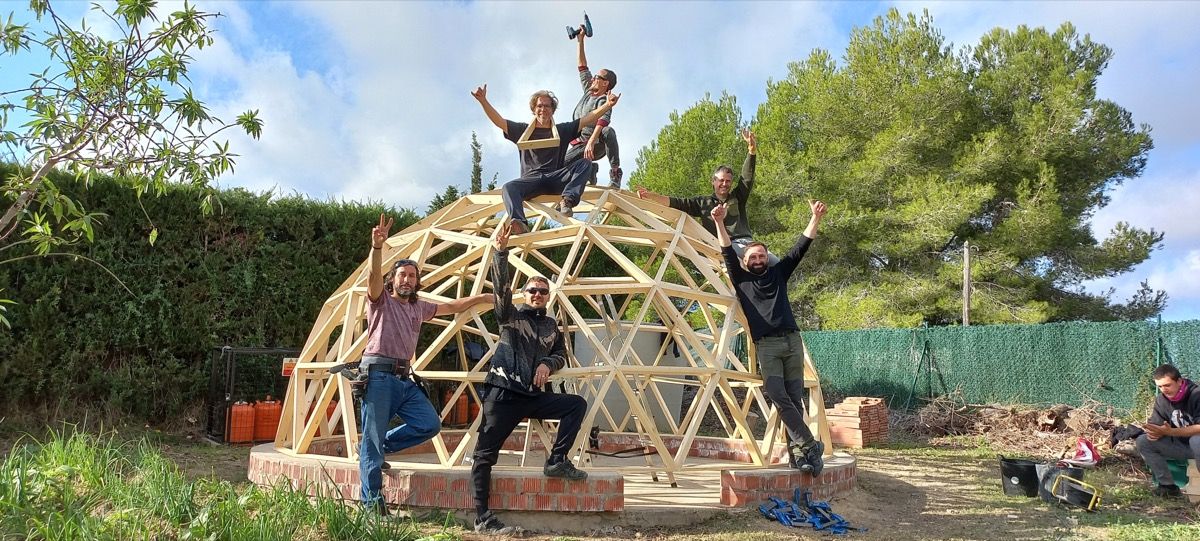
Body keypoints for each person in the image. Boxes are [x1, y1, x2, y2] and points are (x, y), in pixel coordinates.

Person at [359, 213, 492, 514]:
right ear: (392, 280)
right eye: (401, 275)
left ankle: (376, 448)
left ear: (417, 281)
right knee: (371, 441)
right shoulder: (381, 301)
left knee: (429, 424)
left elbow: (451, 306)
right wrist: (377, 248)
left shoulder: (419, 307)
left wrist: (482, 297)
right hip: (378, 376)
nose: (407, 280)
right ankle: (372, 507)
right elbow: (372, 278)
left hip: (403, 379)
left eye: (412, 276)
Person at [472, 220, 590, 534]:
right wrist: (501, 254)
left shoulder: (551, 326)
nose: (537, 294)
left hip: (533, 397)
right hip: (503, 393)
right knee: (485, 455)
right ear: (524, 294)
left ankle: (557, 460)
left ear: (548, 297)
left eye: (542, 291)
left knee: (576, 404)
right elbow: (501, 292)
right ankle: (482, 517)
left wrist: (548, 364)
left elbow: (561, 353)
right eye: (533, 290)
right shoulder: (510, 316)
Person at [712, 199, 827, 474]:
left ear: (767, 257)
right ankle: (810, 444)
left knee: (794, 399)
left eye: (761, 256)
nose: (758, 260)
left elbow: (801, 247)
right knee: (778, 396)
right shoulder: (741, 280)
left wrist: (815, 218)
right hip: (768, 346)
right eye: (752, 257)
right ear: (745, 261)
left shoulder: (778, 273)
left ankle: (800, 457)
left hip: (792, 342)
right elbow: (726, 249)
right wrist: (718, 221)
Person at [472, 84, 621, 234]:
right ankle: (519, 223)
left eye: (547, 106)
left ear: (553, 110)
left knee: (585, 163)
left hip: (555, 179)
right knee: (509, 187)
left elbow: (587, 119)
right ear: (534, 109)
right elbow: (499, 121)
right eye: (539, 106)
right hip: (531, 181)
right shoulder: (523, 130)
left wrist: (607, 105)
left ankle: (567, 200)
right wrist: (483, 101)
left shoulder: (562, 130)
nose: (543, 109)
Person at [637, 129, 776, 264]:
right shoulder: (702, 203)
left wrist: (752, 151)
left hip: (749, 243)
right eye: (721, 180)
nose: (724, 184)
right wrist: (651, 196)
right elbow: (676, 202)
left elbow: (747, 178)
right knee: (743, 263)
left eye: (728, 181)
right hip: (728, 245)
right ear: (713, 181)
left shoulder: (738, 196)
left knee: (777, 264)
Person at [563, 20, 622, 189]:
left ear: (605, 83)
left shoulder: (604, 100)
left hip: (596, 145)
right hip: (580, 144)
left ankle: (615, 172)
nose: (594, 78)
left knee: (608, 131)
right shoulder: (589, 90)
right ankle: (590, 170)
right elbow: (582, 66)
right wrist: (580, 40)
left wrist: (591, 141)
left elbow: (602, 121)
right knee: (560, 166)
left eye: (598, 77)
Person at [1135, 364, 1200, 498]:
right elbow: (1156, 425)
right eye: (1160, 386)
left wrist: (1170, 432)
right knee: (1143, 441)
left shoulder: (1196, 394)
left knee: (1196, 440)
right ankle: (1168, 487)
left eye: (1167, 385)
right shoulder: (1162, 400)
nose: (1164, 390)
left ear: (1179, 381)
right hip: (1182, 446)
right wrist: (1154, 431)